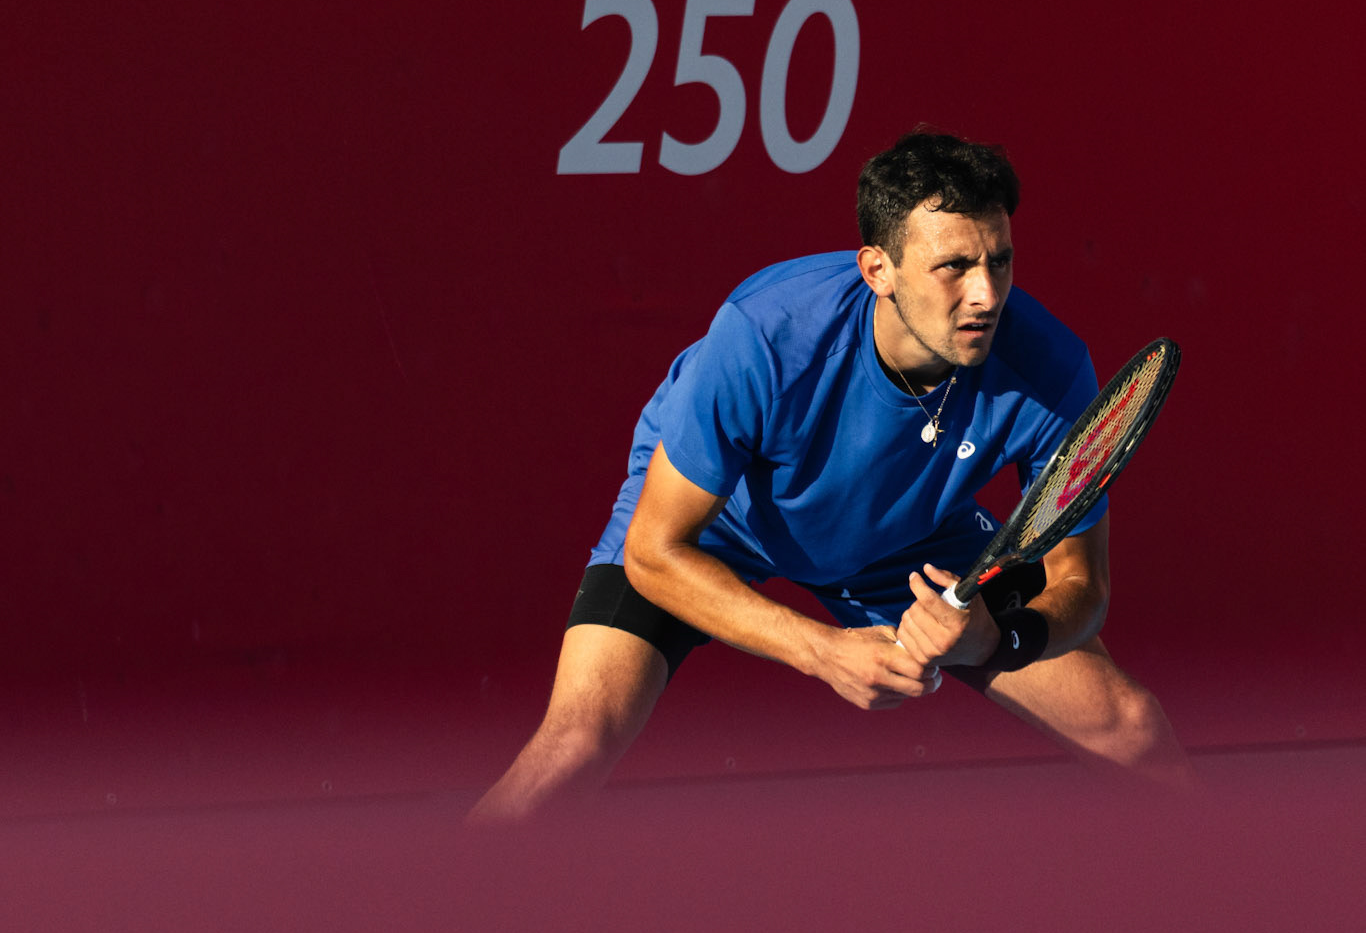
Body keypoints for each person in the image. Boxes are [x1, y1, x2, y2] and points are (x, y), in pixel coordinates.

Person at [470, 128, 1193, 820]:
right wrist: (822, 651)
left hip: (909, 542)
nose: (984, 294)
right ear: (878, 269)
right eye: (953, 267)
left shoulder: (1049, 368)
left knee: (1131, 728)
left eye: (998, 260)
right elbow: (654, 552)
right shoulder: (767, 336)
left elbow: (1082, 589)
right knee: (575, 743)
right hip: (721, 523)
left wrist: (992, 641)